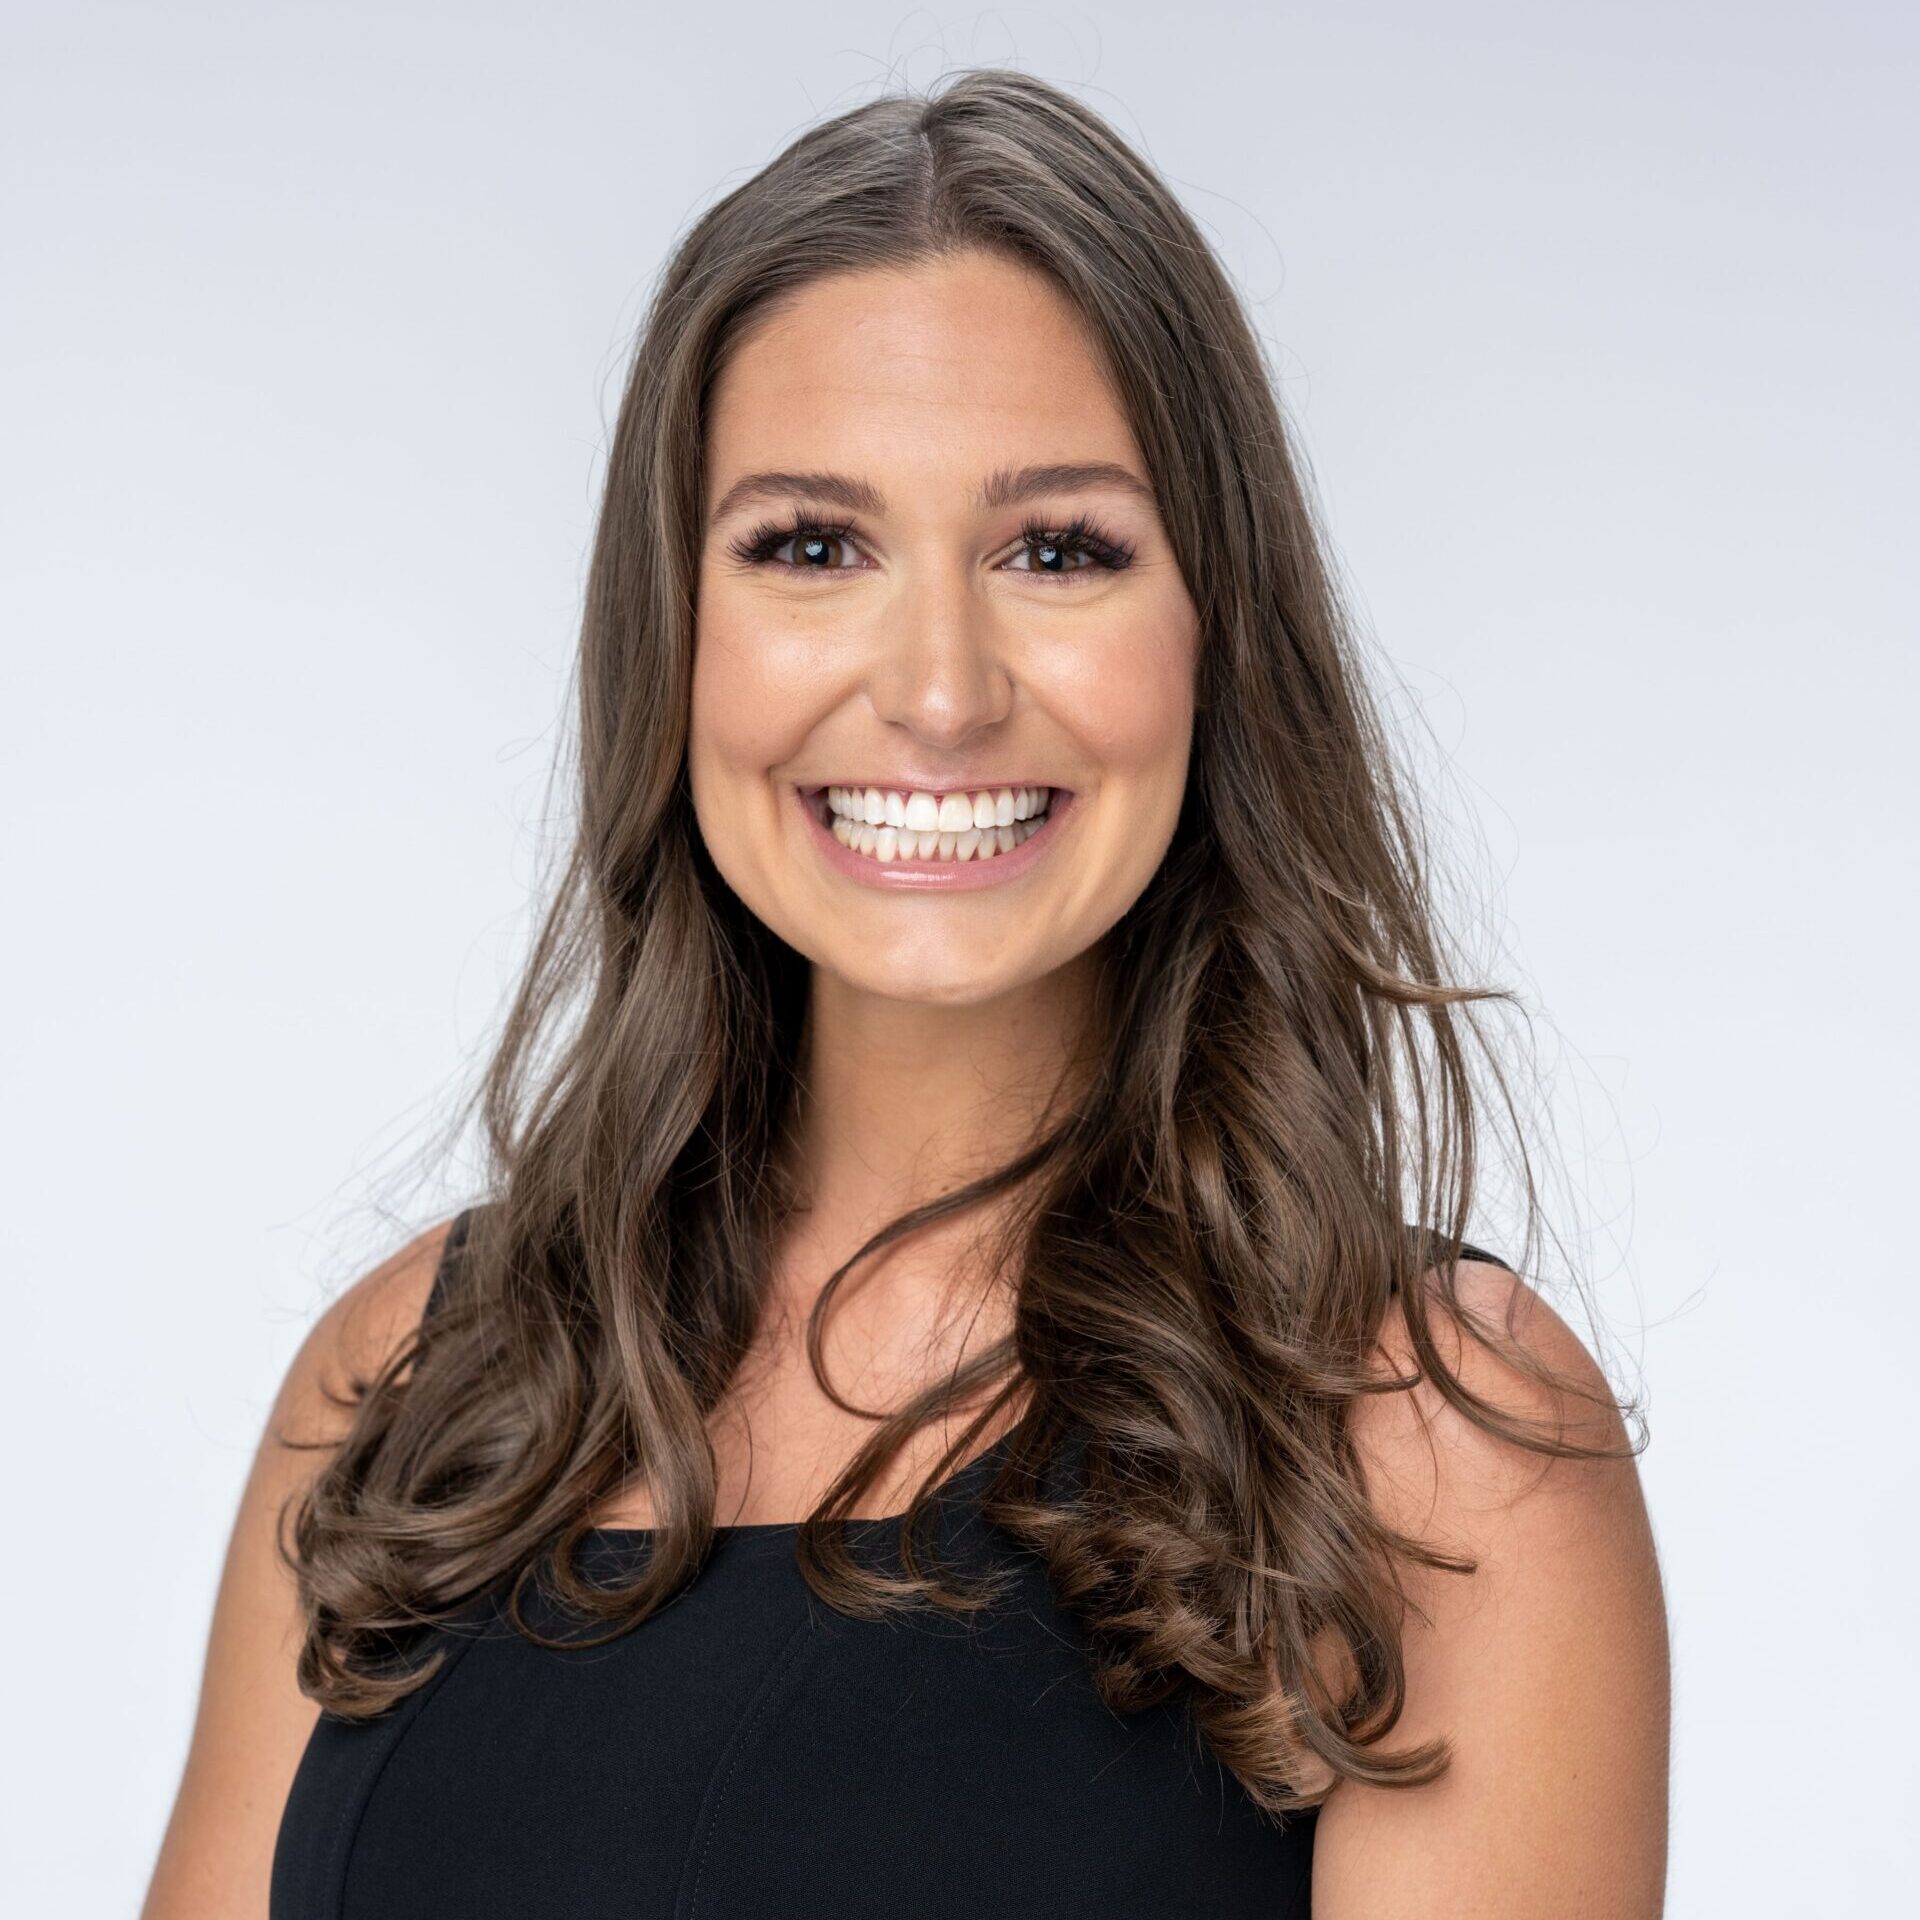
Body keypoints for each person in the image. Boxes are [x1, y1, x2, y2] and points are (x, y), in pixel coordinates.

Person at [143, 67, 1669, 1920]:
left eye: (1058, 551)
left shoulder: (1428, 1446)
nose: (940, 690)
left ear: (1216, 630)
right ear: (673, 632)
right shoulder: (416, 1380)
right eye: (811, 547)